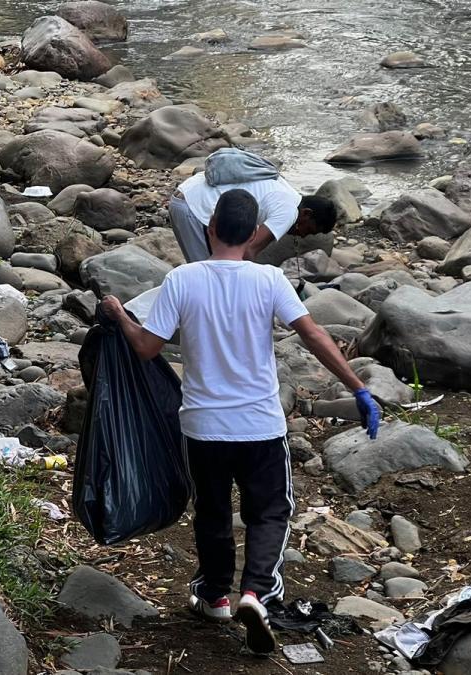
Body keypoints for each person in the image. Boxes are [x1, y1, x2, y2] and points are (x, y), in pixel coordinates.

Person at [101, 189, 380, 654]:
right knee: (270, 512)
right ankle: (255, 593)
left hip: (203, 427)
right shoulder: (269, 279)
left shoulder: (182, 279)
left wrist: (118, 315)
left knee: (212, 513)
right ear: (254, 233)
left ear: (210, 228)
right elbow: (312, 334)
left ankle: (214, 598)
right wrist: (358, 388)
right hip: (260, 426)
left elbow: (147, 347)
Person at [170, 148, 338, 263]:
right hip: (194, 206)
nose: (301, 235)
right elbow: (248, 252)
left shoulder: (283, 187)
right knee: (208, 273)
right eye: (307, 230)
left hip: (187, 195)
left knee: (210, 268)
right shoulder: (289, 212)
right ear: (306, 213)